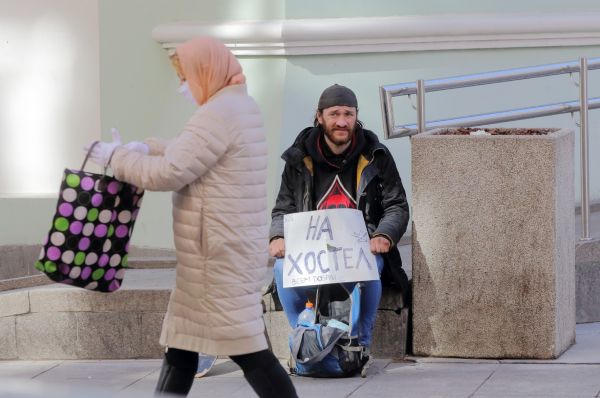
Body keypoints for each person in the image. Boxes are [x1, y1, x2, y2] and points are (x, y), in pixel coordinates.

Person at [84, 37, 297, 398]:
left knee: (249, 351)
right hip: (217, 253)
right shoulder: (237, 105)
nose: (184, 87)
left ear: (206, 70)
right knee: (181, 348)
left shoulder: (219, 113)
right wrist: (145, 147)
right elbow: (193, 150)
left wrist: (115, 158)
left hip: (216, 259)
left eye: (186, 77)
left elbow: (170, 171)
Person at [269, 84, 410, 365]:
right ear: (319, 117)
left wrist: (384, 234)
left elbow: (397, 205)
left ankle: (358, 346)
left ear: (356, 116)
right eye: (334, 114)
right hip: (313, 252)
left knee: (372, 267)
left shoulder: (376, 155)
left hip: (360, 248)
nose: (342, 121)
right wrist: (278, 236)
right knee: (281, 268)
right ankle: (306, 341)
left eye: (348, 114)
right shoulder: (298, 158)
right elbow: (283, 208)